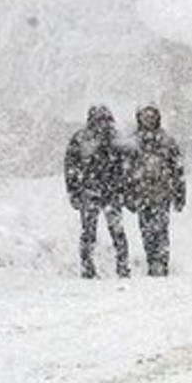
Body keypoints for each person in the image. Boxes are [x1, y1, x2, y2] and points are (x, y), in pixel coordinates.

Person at [64, 105, 131, 279]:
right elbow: (71, 167)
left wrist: (124, 189)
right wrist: (74, 191)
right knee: (89, 232)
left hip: (110, 192)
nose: (103, 123)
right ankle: (88, 268)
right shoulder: (81, 138)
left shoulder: (116, 139)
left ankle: (123, 267)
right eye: (99, 119)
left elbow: (126, 167)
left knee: (117, 232)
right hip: (90, 192)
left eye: (105, 119)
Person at [126, 105, 185, 276]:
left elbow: (177, 170)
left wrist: (179, 194)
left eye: (152, 116)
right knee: (146, 231)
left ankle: (162, 263)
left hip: (162, 194)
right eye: (145, 116)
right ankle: (152, 261)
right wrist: (128, 194)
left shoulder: (167, 141)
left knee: (161, 230)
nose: (149, 119)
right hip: (142, 194)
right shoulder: (133, 142)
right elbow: (126, 171)